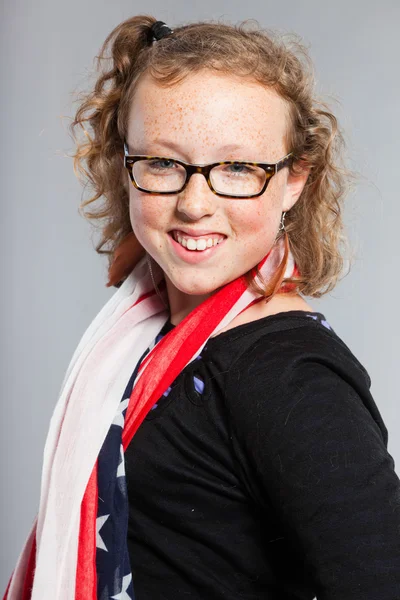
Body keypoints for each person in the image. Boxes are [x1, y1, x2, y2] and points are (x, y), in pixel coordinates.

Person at [4, 15, 400, 600]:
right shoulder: (145, 332)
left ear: (293, 180)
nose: (195, 203)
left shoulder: (289, 377)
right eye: (164, 163)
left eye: (238, 168)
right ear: (126, 165)